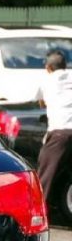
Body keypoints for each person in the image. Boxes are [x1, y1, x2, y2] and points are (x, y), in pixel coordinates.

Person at [36, 50, 72, 200]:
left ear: (48, 68)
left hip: (60, 133)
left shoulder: (46, 81)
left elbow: (41, 103)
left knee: (44, 174)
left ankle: (36, 212)